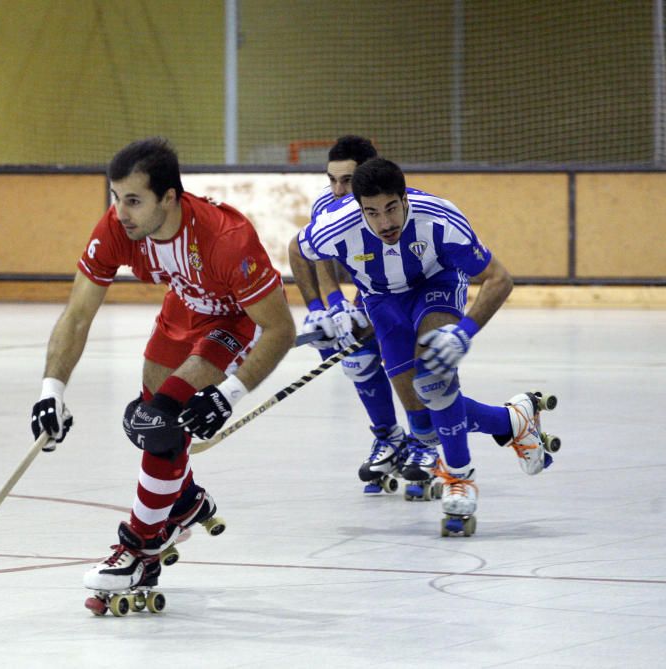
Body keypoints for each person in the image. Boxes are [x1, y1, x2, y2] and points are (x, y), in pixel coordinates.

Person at [31, 138, 296, 599]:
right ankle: (185, 500)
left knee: (163, 423)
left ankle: (139, 548)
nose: (120, 212)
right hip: (182, 308)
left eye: (133, 200)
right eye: (115, 198)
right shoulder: (117, 228)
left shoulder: (226, 240)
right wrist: (50, 389)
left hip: (235, 319)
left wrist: (228, 393)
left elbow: (280, 329)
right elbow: (77, 314)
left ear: (169, 198)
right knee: (148, 421)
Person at [289, 157, 559, 534]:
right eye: (372, 212)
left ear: (405, 198)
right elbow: (297, 250)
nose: (385, 223)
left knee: (433, 380)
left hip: (437, 286)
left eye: (391, 208)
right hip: (382, 301)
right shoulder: (339, 225)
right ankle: (514, 420)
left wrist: (463, 333)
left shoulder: (440, 218)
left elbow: (499, 279)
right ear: (358, 208)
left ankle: (460, 479)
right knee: (425, 426)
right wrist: (318, 308)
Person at [288, 135, 439, 498]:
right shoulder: (328, 205)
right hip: (370, 289)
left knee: (415, 370)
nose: (338, 190)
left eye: (347, 181)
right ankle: (390, 438)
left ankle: (429, 443)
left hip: (416, 290)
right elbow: (316, 255)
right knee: (352, 356)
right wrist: (328, 307)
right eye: (332, 180)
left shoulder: (396, 208)